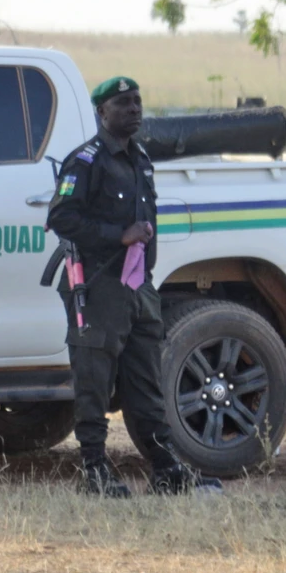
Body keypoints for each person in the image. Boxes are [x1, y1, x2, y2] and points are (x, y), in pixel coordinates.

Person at [46, 76, 223, 498]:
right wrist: (116, 233)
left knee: (145, 382)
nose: (134, 109)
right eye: (123, 102)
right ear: (102, 112)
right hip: (98, 286)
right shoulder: (86, 161)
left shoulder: (141, 159)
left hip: (139, 287)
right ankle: (94, 470)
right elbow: (61, 219)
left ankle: (165, 469)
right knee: (94, 379)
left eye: (138, 101)